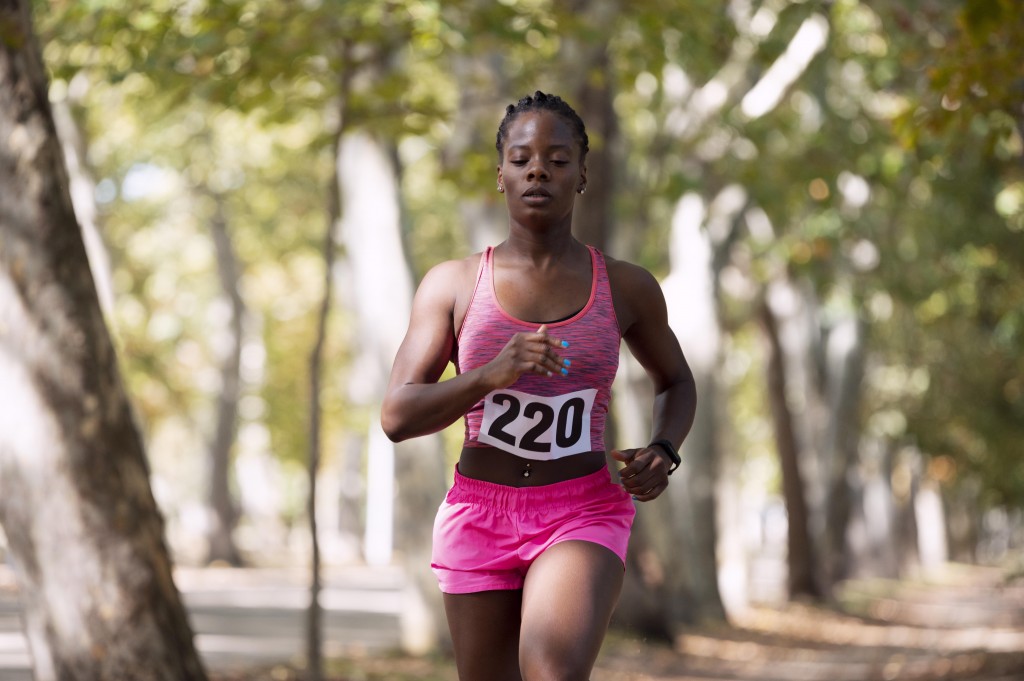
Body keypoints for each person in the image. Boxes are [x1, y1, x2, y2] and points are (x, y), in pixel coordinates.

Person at [381, 90, 697, 681]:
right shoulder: (452, 286)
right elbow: (398, 416)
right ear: (500, 174)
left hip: (581, 509)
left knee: (551, 669)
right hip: (480, 511)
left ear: (582, 175)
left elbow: (676, 381)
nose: (538, 170)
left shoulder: (626, 287)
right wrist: (490, 374)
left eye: (557, 159)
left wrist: (664, 449)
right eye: (522, 158)